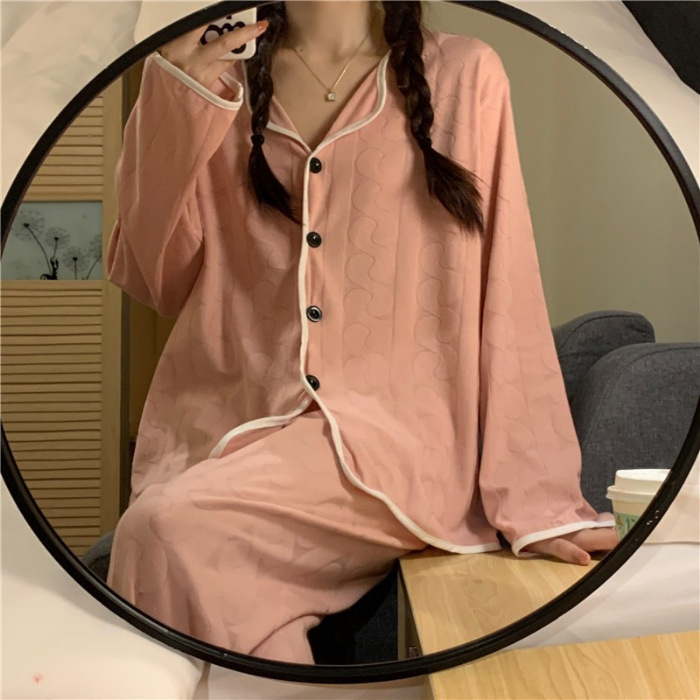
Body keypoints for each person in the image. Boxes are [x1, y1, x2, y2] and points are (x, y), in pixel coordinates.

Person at [105, 0, 618, 664]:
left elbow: (508, 285)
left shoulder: (465, 74)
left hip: (396, 446)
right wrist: (177, 94)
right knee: (218, 608)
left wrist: (539, 499)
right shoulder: (212, 76)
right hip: (223, 428)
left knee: (167, 530)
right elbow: (151, 277)